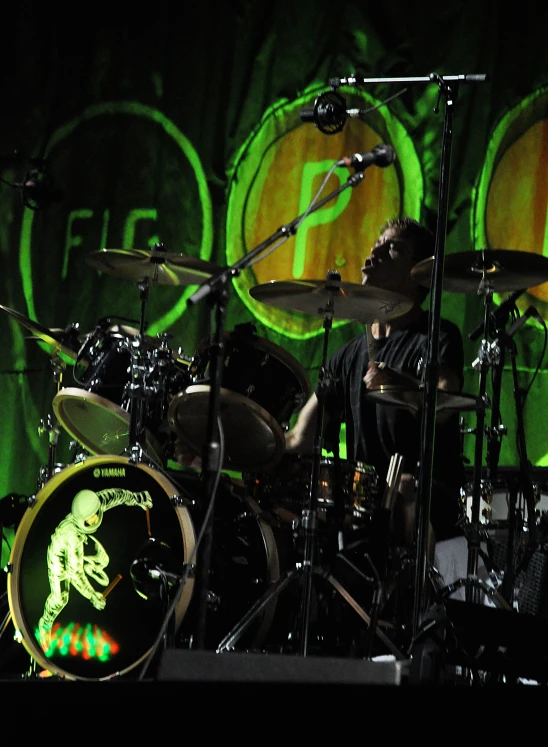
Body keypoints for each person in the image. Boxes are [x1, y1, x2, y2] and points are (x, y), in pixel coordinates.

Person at [285, 216, 465, 560]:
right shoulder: (345, 357)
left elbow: (444, 404)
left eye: (392, 248)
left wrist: (404, 386)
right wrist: (246, 439)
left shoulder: (437, 336)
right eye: (376, 243)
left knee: (406, 489)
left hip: (426, 495)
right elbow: (301, 438)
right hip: (361, 499)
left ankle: (413, 598)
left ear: (417, 273)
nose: (375, 251)